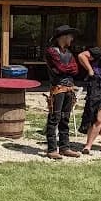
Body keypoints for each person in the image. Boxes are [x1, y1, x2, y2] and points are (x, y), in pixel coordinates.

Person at [43, 25, 82, 160]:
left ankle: (65, 147)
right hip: (58, 89)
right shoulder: (51, 51)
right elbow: (59, 68)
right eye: (70, 36)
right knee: (55, 118)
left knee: (65, 118)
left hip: (69, 88)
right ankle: (52, 149)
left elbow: (75, 69)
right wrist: (66, 68)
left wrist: (66, 68)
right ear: (64, 37)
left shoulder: (69, 54)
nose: (71, 39)